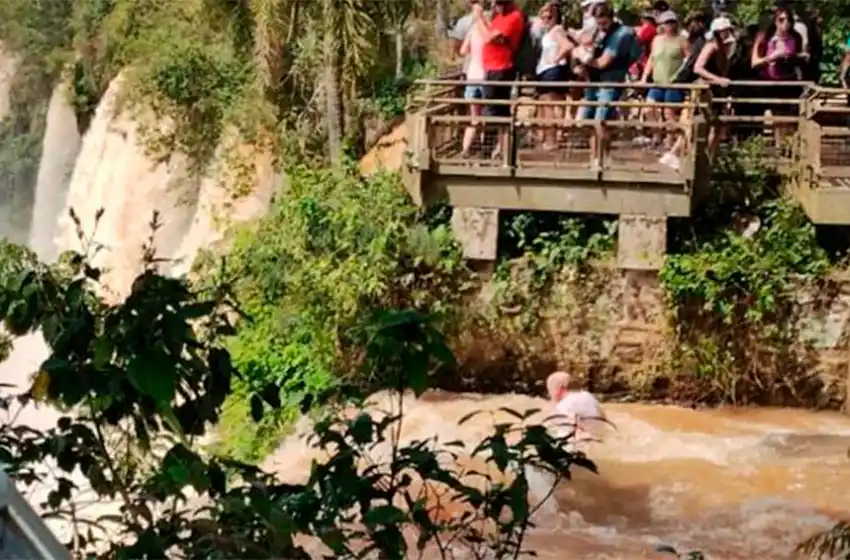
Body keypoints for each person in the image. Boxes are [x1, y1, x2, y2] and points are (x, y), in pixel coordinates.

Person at [576, 2, 637, 166]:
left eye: (603, 17)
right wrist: (582, 61)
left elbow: (603, 62)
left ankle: (602, 158)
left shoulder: (621, 34)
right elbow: (585, 45)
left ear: (610, 16)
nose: (600, 22)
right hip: (593, 82)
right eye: (597, 18)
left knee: (600, 120)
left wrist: (586, 58)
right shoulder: (598, 32)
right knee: (588, 120)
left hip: (610, 81)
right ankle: (594, 157)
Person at [473, 0, 526, 160]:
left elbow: (489, 37)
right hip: (492, 68)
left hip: (501, 69)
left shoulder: (514, 17)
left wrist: (478, 17)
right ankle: (503, 150)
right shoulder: (499, 17)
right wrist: (484, 18)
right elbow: (490, 31)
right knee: (498, 111)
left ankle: (487, 150)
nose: (495, 5)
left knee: (492, 110)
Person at [641, 10, 689, 149]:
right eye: (666, 22)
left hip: (673, 83)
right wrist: (644, 77)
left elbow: (689, 61)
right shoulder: (656, 40)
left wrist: (681, 77)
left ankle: (669, 140)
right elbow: (651, 59)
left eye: (672, 22)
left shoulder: (682, 40)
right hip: (657, 81)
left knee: (669, 113)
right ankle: (657, 134)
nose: (669, 25)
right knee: (648, 109)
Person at [533, 2, 573, 150]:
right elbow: (538, 18)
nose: (545, 19)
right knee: (544, 106)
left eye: (549, 17)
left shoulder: (556, 30)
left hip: (552, 71)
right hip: (544, 71)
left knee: (549, 107)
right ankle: (550, 138)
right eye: (543, 17)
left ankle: (552, 141)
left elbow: (568, 46)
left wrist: (555, 59)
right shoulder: (547, 31)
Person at [546, 371, 609, 444]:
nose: (550, 395)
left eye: (550, 391)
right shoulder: (588, 396)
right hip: (599, 439)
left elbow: (563, 436)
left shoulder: (564, 406)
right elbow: (603, 419)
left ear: (559, 390)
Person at [458, 1, 487, 158]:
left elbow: (463, 51)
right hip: (485, 76)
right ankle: (484, 147)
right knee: (485, 115)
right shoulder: (487, 31)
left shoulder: (472, 31)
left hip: (472, 75)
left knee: (474, 117)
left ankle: (465, 149)